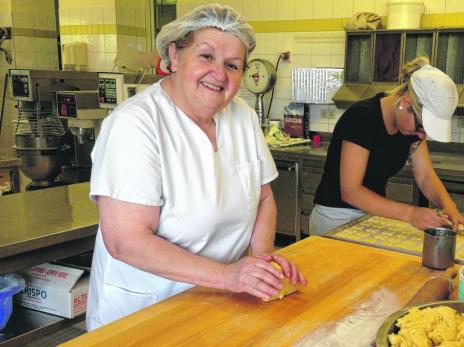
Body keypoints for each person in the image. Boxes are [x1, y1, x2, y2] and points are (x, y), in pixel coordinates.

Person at [86, 4, 306, 331]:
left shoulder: (242, 116)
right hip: (143, 315)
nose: (219, 73)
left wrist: (262, 263)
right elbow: (126, 241)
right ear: (174, 56)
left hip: (216, 303)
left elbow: (263, 200)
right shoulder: (135, 124)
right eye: (206, 56)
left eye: (232, 65)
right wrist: (227, 275)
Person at [310, 57, 464, 236]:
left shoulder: (410, 131)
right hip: (335, 218)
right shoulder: (362, 118)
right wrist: (411, 213)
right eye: (421, 127)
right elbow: (351, 191)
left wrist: (449, 206)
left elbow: (425, 176)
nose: (421, 136)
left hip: (372, 215)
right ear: (405, 104)